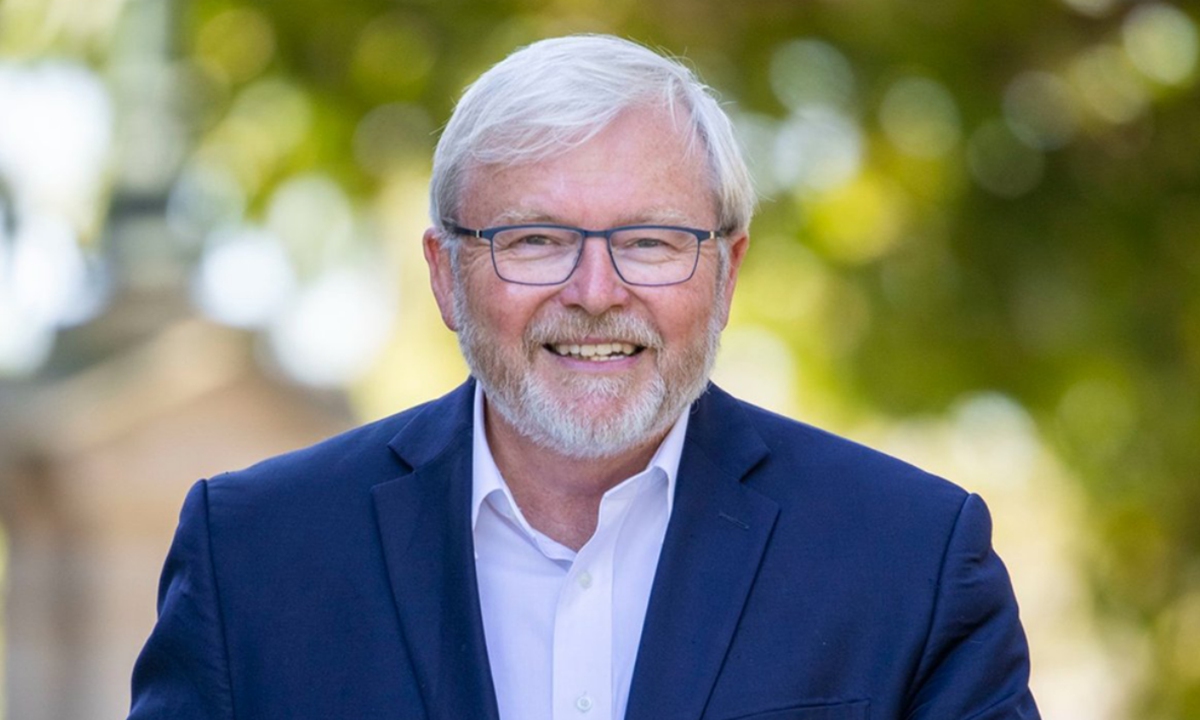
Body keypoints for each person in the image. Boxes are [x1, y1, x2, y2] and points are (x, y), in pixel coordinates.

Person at [129, 34, 1039, 720]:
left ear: (728, 274)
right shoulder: (251, 557)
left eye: (651, 242)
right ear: (445, 276)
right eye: (534, 239)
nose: (596, 292)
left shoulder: (910, 560)